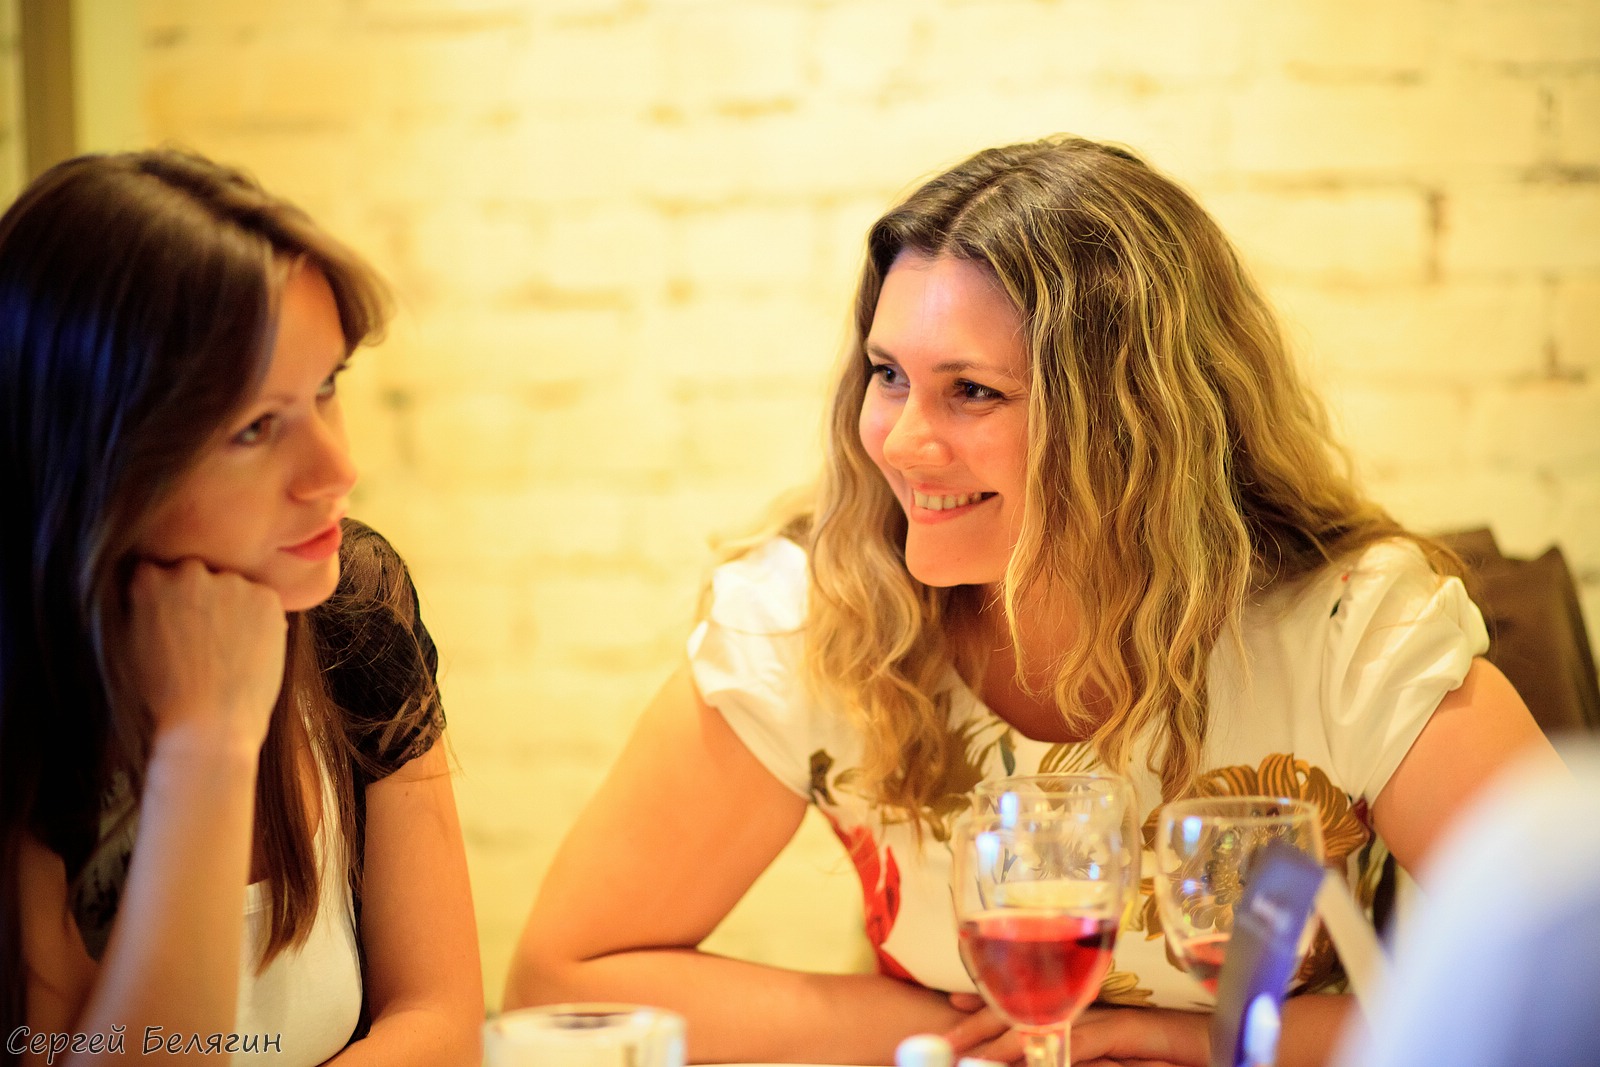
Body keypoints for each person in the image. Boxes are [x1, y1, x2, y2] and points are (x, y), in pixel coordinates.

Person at [504, 135, 1559, 1066]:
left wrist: (1184, 1041)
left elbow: (1567, 989)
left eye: (971, 390)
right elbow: (565, 979)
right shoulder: (817, 616)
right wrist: (956, 1030)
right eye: (887, 375)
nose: (900, 441)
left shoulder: (1349, 633)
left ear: (1132, 425)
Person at [0, 150, 482, 1065]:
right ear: (97, 469)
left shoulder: (351, 608)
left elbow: (441, 1020)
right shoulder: (26, 721)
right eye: (256, 427)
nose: (337, 469)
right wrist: (207, 747)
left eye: (326, 387)